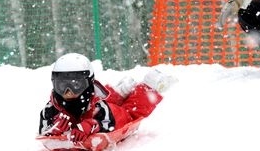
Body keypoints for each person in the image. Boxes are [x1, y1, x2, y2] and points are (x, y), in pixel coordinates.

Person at [38, 53, 168, 142]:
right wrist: (52, 130)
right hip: (96, 103)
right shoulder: (51, 108)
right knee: (107, 98)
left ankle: (149, 87)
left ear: (88, 83)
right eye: (62, 86)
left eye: (76, 85)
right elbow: (43, 131)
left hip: (108, 112)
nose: (68, 92)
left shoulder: (99, 107)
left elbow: (110, 125)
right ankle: (119, 92)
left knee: (129, 113)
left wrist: (93, 124)